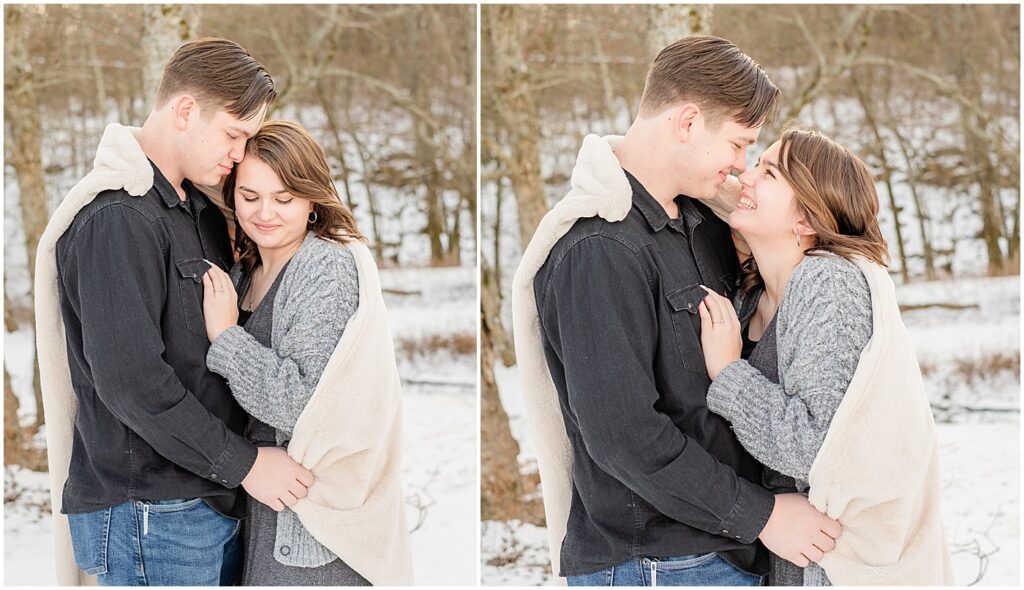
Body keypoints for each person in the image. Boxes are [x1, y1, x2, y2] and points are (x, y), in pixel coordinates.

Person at [512, 35, 841, 587]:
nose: (740, 167)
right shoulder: (599, 250)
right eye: (739, 144)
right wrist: (762, 515)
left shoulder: (703, 227)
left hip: (719, 557)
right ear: (688, 122)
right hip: (655, 564)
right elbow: (625, 437)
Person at [35, 38, 315, 586]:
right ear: (185, 110)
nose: (239, 155)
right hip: (150, 511)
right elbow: (131, 382)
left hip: (203, 504)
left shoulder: (197, 212)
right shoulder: (117, 218)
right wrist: (248, 464)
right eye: (234, 135)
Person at [698, 129, 953, 585]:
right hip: (783, 558)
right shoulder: (754, 292)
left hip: (836, 565)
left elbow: (816, 448)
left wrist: (729, 374)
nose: (746, 176)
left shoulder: (828, 285)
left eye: (770, 172)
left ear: (808, 220)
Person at [201, 120, 414, 586]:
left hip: (314, 535)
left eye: (284, 198)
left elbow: (301, 404)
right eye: (250, 196)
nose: (265, 214)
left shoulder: (325, 268)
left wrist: (226, 336)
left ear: (312, 198)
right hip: (263, 514)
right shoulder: (247, 271)